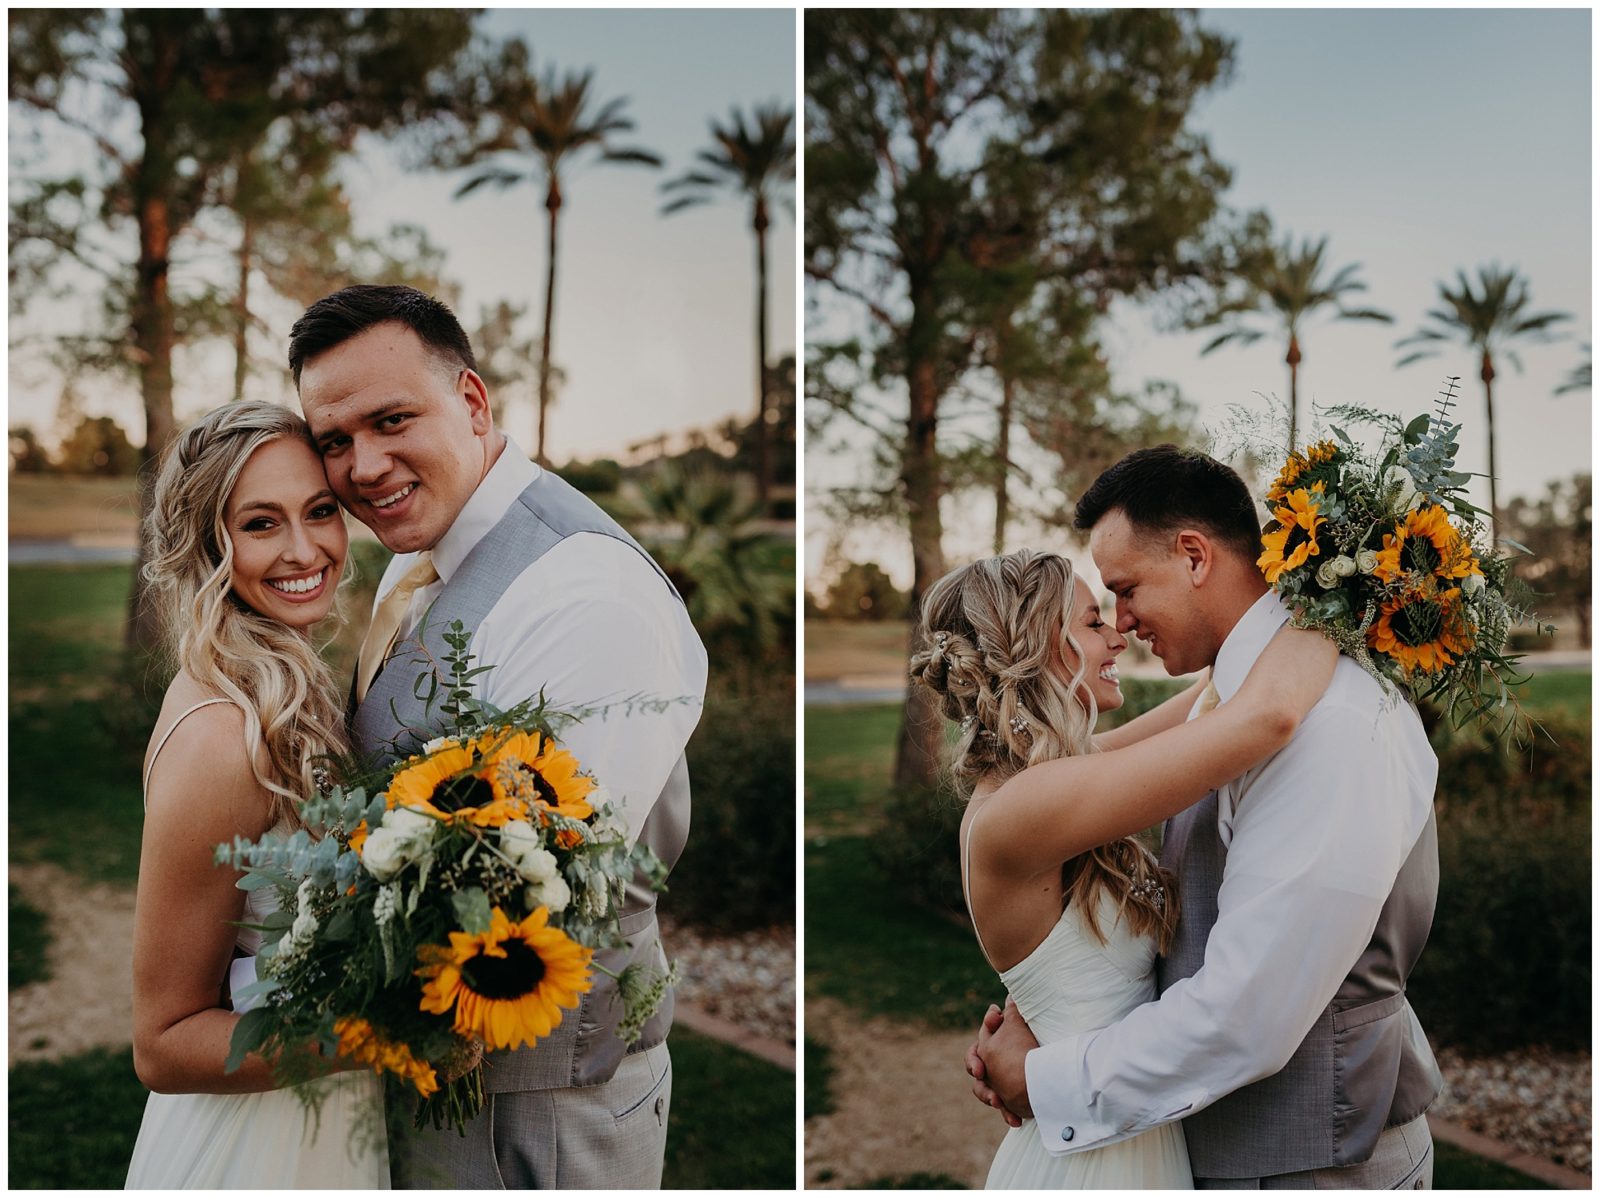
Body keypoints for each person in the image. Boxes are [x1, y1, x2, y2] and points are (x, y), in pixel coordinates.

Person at [288, 284, 708, 1189]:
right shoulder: (426, 549)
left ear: (473, 403)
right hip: (435, 1082)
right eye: (334, 440)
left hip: (538, 1115)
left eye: (392, 419)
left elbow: (522, 889)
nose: (362, 466)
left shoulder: (586, 593)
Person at [967, 446, 1442, 1189]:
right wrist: (1048, 1001)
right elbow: (1252, 711)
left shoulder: (1330, 717)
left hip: (1313, 1162)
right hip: (1202, 1145)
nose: (1121, 625)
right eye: (1098, 615)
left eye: (1123, 592)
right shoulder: (1231, 701)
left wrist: (1050, 1072)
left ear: (1194, 556)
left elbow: (1245, 1015)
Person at [911, 548, 1337, 1189]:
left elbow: (1210, 701)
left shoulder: (1046, 779)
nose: (1118, 634)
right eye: (1091, 622)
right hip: (1096, 1163)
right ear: (1039, 646)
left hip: (1114, 1126)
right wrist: (1350, 591)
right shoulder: (1025, 807)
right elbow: (1265, 716)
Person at [126, 400, 387, 1188]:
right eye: (262, 523)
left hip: (323, 1117)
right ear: (209, 545)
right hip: (258, 1149)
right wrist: (392, 1029)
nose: (306, 549)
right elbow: (163, 1043)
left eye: (319, 512)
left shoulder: (283, 685)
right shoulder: (222, 736)